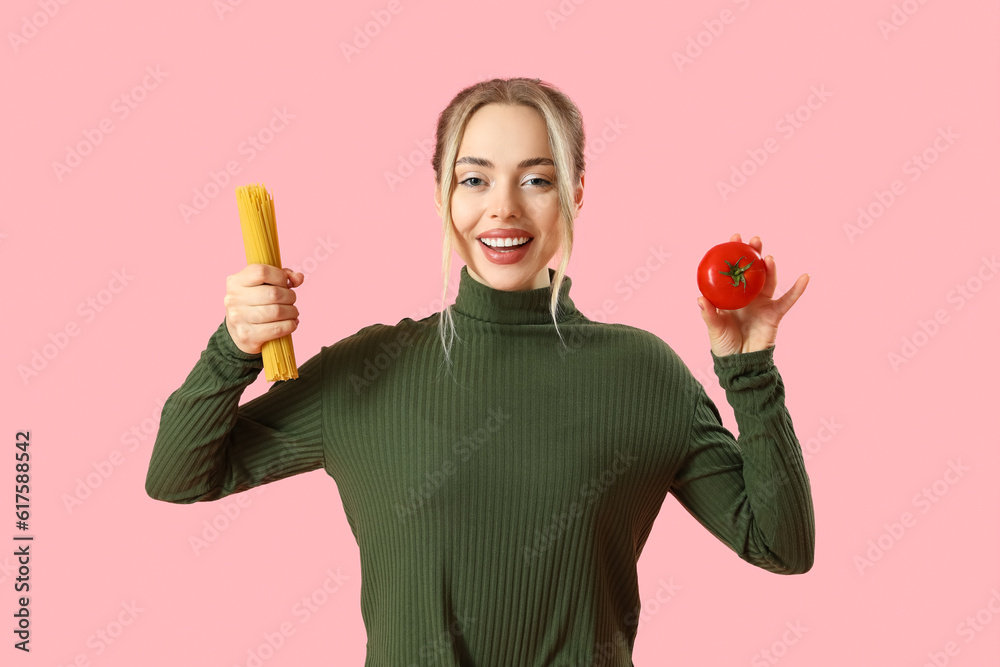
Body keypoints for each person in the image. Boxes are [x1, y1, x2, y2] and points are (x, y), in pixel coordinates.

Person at [146, 77, 815, 666]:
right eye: (474, 178)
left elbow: (780, 544)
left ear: (576, 192)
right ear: (443, 194)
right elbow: (179, 475)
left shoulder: (645, 372)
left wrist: (748, 368)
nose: (503, 208)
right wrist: (234, 346)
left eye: (537, 178)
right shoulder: (366, 372)